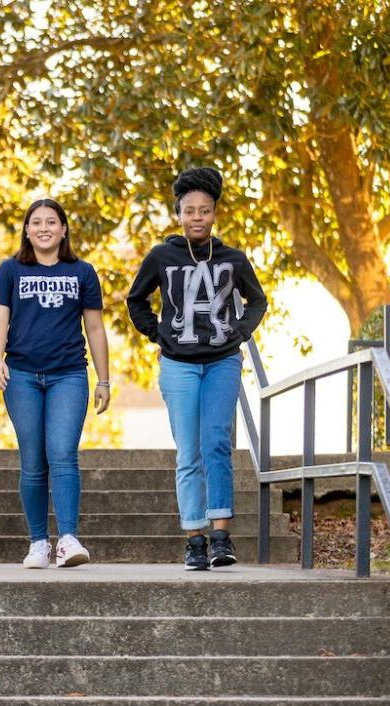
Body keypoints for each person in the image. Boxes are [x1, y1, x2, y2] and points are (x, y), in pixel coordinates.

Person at [127, 167, 267, 571]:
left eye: (204, 211)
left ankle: (221, 537)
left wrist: (238, 334)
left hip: (222, 362)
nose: (197, 218)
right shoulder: (161, 256)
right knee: (189, 452)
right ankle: (195, 540)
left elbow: (257, 301)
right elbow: (137, 300)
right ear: (179, 214)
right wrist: (158, 335)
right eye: (190, 211)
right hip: (178, 365)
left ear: (214, 214)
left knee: (216, 444)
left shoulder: (233, 259)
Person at [0, 198, 111, 569]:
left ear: (63, 229)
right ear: (27, 230)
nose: (44, 228)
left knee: (63, 453)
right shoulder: (10, 270)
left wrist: (104, 379)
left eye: (51, 222)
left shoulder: (83, 272)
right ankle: (38, 542)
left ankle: (68, 539)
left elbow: (96, 328)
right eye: (36, 222)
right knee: (33, 460)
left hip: (69, 374)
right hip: (21, 375)